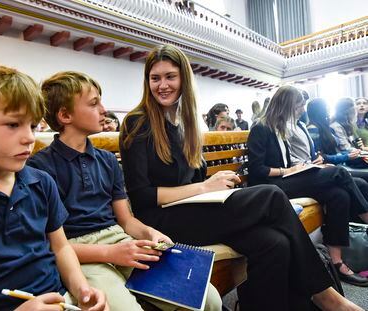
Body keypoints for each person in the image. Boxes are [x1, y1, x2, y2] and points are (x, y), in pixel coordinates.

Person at [119, 44, 364, 311]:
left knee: (275, 243)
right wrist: (203, 187)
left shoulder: (184, 123)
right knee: (271, 195)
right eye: (155, 78)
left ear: (183, 80)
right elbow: (141, 195)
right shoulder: (137, 122)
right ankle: (325, 295)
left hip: (190, 210)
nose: (162, 85)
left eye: (170, 77)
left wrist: (214, 185)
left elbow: (192, 180)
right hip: (159, 219)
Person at [27, 71, 222, 311]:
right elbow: (53, 245)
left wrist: (150, 233)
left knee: (207, 298)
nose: (103, 109)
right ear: (65, 115)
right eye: (94, 103)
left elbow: (126, 220)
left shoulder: (107, 161)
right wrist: (110, 253)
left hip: (118, 237)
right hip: (80, 251)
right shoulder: (41, 167)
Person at [0, 64, 108, 311]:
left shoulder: (41, 182)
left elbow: (60, 246)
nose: (29, 138)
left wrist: (82, 289)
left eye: (33, 125)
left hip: (59, 301)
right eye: (13, 125)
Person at [247, 85, 368, 287]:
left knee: (339, 194)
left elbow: (287, 161)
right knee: (340, 172)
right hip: (270, 186)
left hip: (286, 179)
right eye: (299, 105)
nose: (303, 110)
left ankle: (336, 262)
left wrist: (305, 166)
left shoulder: (280, 127)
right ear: (286, 105)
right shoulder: (261, 128)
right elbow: (257, 169)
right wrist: (289, 171)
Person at [307, 98, 368, 178]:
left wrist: (353, 153)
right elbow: (321, 157)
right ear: (320, 110)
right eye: (326, 106)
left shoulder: (324, 126)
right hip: (332, 166)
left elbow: (335, 152)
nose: (328, 109)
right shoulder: (313, 128)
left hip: (338, 162)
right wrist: (347, 155)